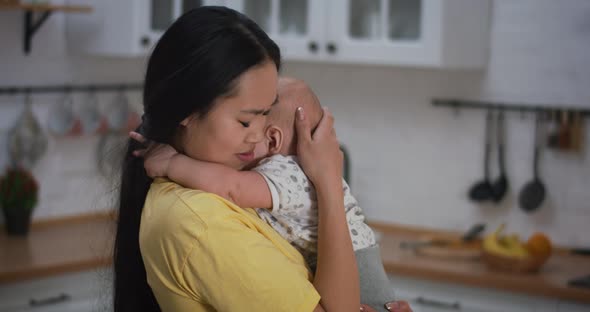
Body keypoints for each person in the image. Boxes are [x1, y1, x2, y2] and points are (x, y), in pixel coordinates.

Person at [114, 5, 411, 312]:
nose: (258, 136)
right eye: (245, 121)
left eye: (266, 115)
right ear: (187, 111)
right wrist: (328, 180)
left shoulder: (213, 191)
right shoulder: (201, 221)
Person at [131, 77, 396, 311]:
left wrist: (172, 163)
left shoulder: (287, 173)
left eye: (256, 122)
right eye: (245, 121)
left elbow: (232, 187)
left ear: (274, 140)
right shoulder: (199, 222)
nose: (251, 135)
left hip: (361, 269)